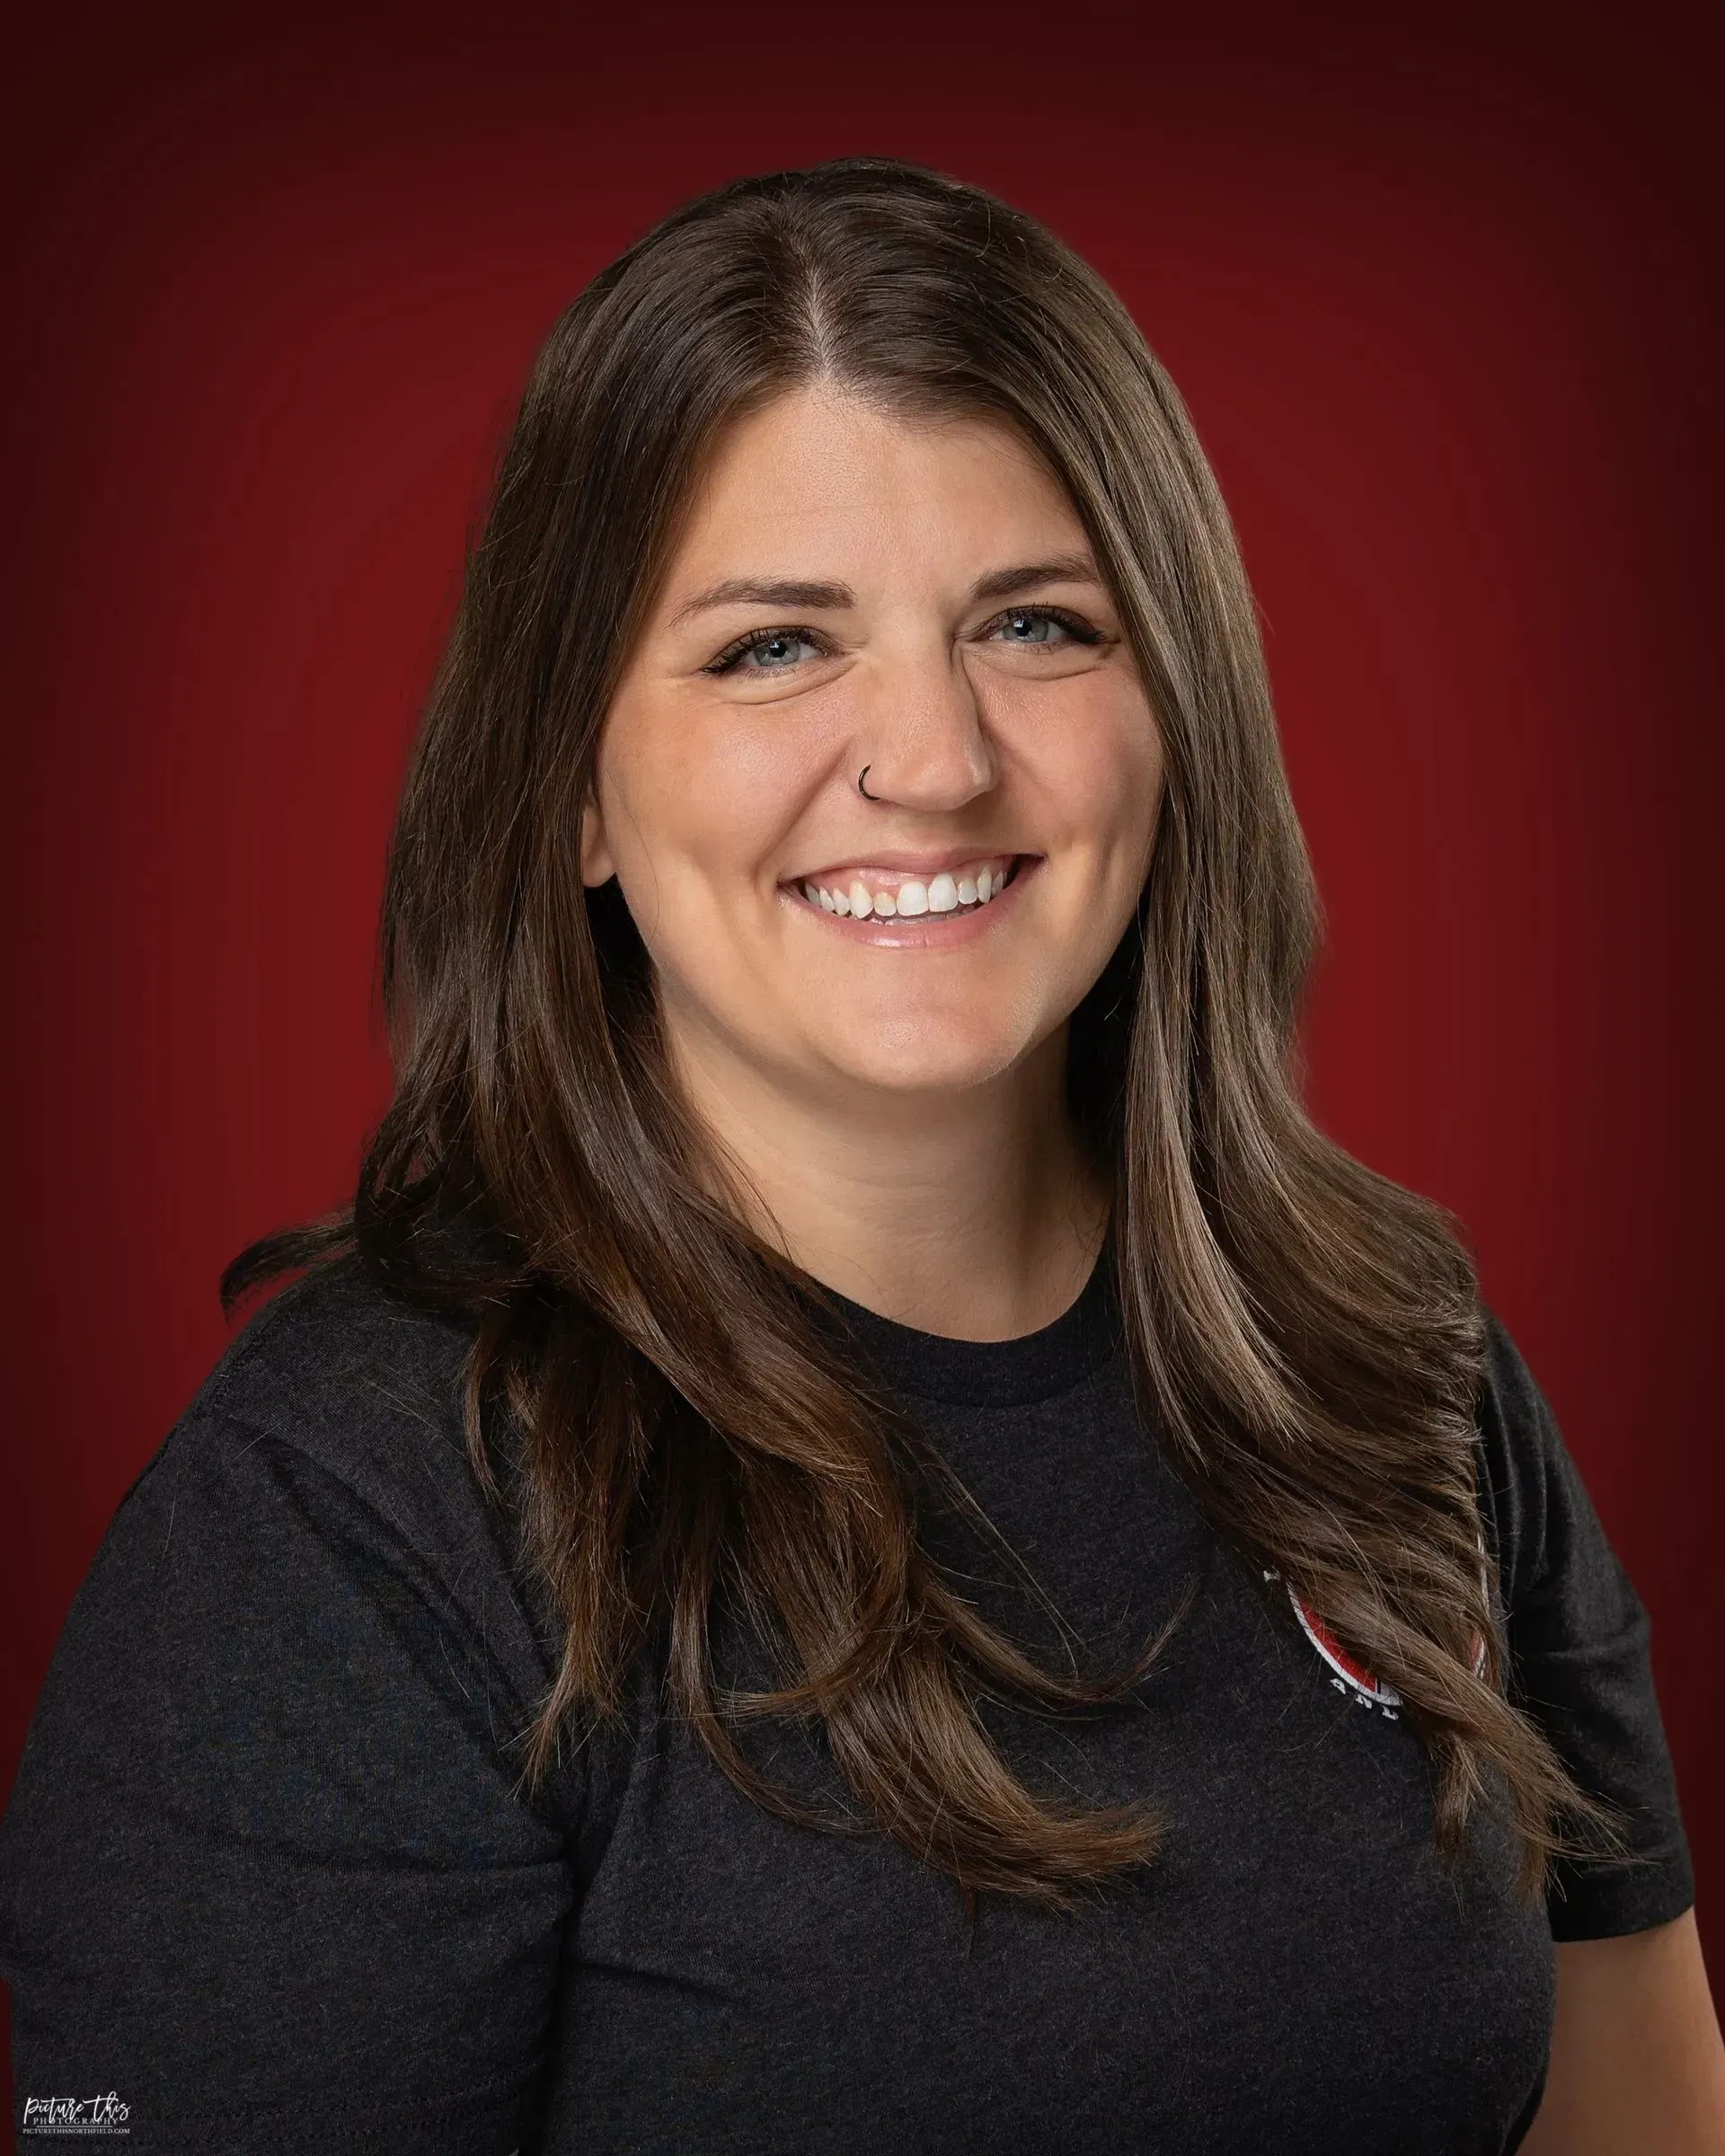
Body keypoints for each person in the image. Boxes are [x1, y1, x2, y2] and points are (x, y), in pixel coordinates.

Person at [0, 156, 1718, 2156]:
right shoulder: (346, 1530)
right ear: (570, 796)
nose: (935, 755)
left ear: (1180, 721)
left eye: (1036, 623)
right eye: (771, 648)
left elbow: (1639, 2105)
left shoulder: (1385, 1355)